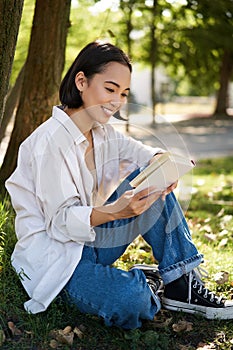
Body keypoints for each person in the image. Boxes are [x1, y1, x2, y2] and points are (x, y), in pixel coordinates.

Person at [5, 41, 233, 329]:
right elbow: (60, 223)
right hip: (57, 262)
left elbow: (137, 152)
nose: (117, 101)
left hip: (89, 242)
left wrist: (160, 160)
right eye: (110, 89)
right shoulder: (49, 143)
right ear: (81, 81)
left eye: (123, 94)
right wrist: (116, 211)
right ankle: (145, 282)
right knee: (131, 301)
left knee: (152, 181)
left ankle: (180, 282)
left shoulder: (100, 131)